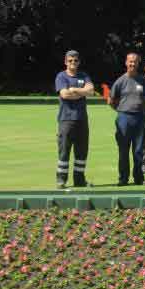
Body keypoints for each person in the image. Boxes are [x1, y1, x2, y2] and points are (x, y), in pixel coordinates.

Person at [109, 53, 145, 186]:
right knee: (123, 150)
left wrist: (142, 110)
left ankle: (139, 178)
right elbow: (111, 101)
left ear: (138, 63)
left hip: (139, 117)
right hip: (124, 118)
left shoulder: (143, 81)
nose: (132, 64)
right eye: (130, 62)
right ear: (126, 62)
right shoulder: (120, 81)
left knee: (138, 150)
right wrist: (122, 110)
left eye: (135, 62)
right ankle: (123, 178)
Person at [54, 50, 94, 188]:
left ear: (79, 62)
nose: (73, 63)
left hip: (82, 119)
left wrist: (74, 90)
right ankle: (61, 180)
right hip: (66, 119)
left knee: (82, 152)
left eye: (75, 60)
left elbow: (91, 91)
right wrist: (81, 92)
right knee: (64, 151)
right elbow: (64, 94)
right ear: (65, 62)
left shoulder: (84, 75)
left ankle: (79, 180)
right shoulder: (61, 76)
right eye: (70, 60)